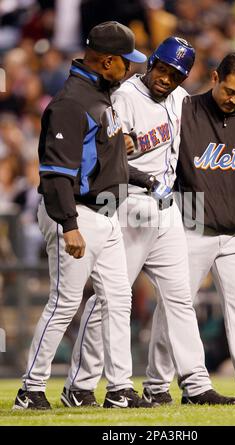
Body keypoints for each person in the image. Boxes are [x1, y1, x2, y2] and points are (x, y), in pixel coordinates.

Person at [62, 37, 235, 408]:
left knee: (180, 298)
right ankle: (79, 385)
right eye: (161, 68)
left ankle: (195, 383)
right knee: (111, 299)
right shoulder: (125, 97)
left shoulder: (180, 100)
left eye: (175, 73)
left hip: (168, 210)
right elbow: (104, 159)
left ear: (184, 77)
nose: (165, 77)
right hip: (126, 206)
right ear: (151, 64)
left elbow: (214, 105)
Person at [13, 21, 151, 410]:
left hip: (102, 214)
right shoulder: (72, 102)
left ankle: (119, 388)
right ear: (107, 61)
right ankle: (31, 390)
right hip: (73, 213)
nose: (131, 68)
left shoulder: (98, 94)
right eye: (126, 62)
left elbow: (100, 161)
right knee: (64, 302)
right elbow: (55, 174)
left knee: (118, 299)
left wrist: (133, 166)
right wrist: (69, 225)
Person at [147, 52, 235, 404]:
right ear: (215, 78)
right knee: (174, 308)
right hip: (191, 227)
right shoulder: (185, 111)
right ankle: (156, 386)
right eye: (230, 90)